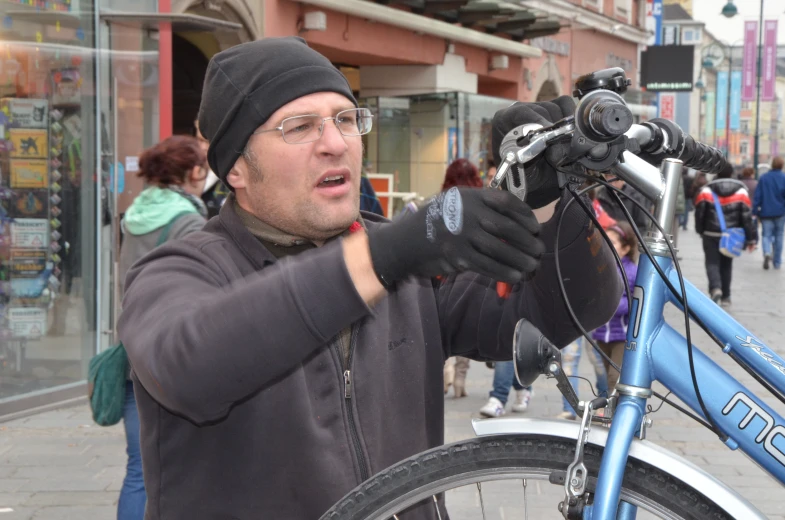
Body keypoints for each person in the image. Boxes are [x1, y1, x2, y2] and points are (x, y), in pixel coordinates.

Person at [117, 37, 620, 520]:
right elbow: (188, 364)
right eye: (298, 126)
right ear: (236, 169)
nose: (335, 143)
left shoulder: (410, 270)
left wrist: (551, 198)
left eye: (345, 119)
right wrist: (386, 255)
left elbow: (563, 311)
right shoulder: (177, 270)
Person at [117, 135, 209, 520]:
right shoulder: (189, 221)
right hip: (169, 357)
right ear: (193, 172)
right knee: (177, 471)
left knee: (138, 468)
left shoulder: (136, 212)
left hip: (130, 350)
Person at [440, 158, 483, 398]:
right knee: (464, 326)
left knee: (443, 327)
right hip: (470, 274)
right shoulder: (481, 205)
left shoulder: (441, 202)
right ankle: (459, 380)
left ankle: (445, 371)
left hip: (443, 273)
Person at [694, 168, 758, 305]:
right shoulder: (741, 192)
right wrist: (750, 238)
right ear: (731, 173)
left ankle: (715, 288)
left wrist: (700, 230)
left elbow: (699, 213)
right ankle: (726, 296)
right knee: (726, 265)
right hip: (731, 235)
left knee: (711, 263)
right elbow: (746, 218)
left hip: (710, 233)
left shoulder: (706, 191)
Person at [591, 221, 638, 394]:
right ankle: (611, 410)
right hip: (602, 334)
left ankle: (616, 415)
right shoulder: (600, 266)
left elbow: (634, 301)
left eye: (613, 242)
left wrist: (608, 304)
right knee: (606, 376)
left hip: (622, 335)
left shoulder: (632, 271)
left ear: (625, 249)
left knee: (615, 377)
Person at [752, 157, 785, 270]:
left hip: (766, 212)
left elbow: (758, 196)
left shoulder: (763, 178)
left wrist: (755, 210)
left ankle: (766, 252)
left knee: (766, 235)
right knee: (779, 236)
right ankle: (777, 261)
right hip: (780, 212)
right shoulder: (784, 178)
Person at [195, 120, 229, 219]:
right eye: (199, 140)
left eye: (208, 141)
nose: (203, 147)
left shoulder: (231, 179)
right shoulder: (188, 172)